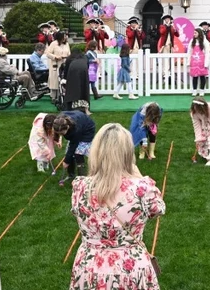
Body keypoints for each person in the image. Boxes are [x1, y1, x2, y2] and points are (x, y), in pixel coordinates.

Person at [69, 123, 165, 290]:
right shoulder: (142, 188)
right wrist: (139, 176)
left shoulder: (80, 187)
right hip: (131, 268)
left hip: (89, 266)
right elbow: (159, 208)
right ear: (127, 153)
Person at [58, 109, 96, 183]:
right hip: (79, 126)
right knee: (69, 154)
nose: (61, 135)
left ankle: (81, 179)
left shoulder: (76, 129)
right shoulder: (59, 121)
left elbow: (73, 145)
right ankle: (71, 175)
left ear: (67, 127)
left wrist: (66, 161)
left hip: (87, 130)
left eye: (62, 133)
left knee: (78, 154)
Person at [190, 98, 210, 166]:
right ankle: (206, 154)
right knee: (203, 142)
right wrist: (199, 138)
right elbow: (196, 125)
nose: (197, 110)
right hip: (203, 126)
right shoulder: (194, 113)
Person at [45, 30, 72, 96]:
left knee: (62, 79)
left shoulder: (66, 44)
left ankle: (61, 95)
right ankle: (53, 96)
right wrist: (55, 57)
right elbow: (48, 53)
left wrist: (67, 57)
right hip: (55, 64)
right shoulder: (53, 44)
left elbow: (69, 53)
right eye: (64, 36)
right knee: (54, 80)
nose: (66, 37)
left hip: (64, 64)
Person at [188, 29, 210, 97]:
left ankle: (202, 91)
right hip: (194, 61)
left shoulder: (204, 41)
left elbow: (207, 52)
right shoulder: (192, 41)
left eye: (195, 33)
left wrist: (206, 63)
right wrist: (188, 62)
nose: (194, 34)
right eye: (194, 33)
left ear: (199, 33)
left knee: (202, 76)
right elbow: (189, 52)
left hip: (202, 61)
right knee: (194, 76)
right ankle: (194, 90)